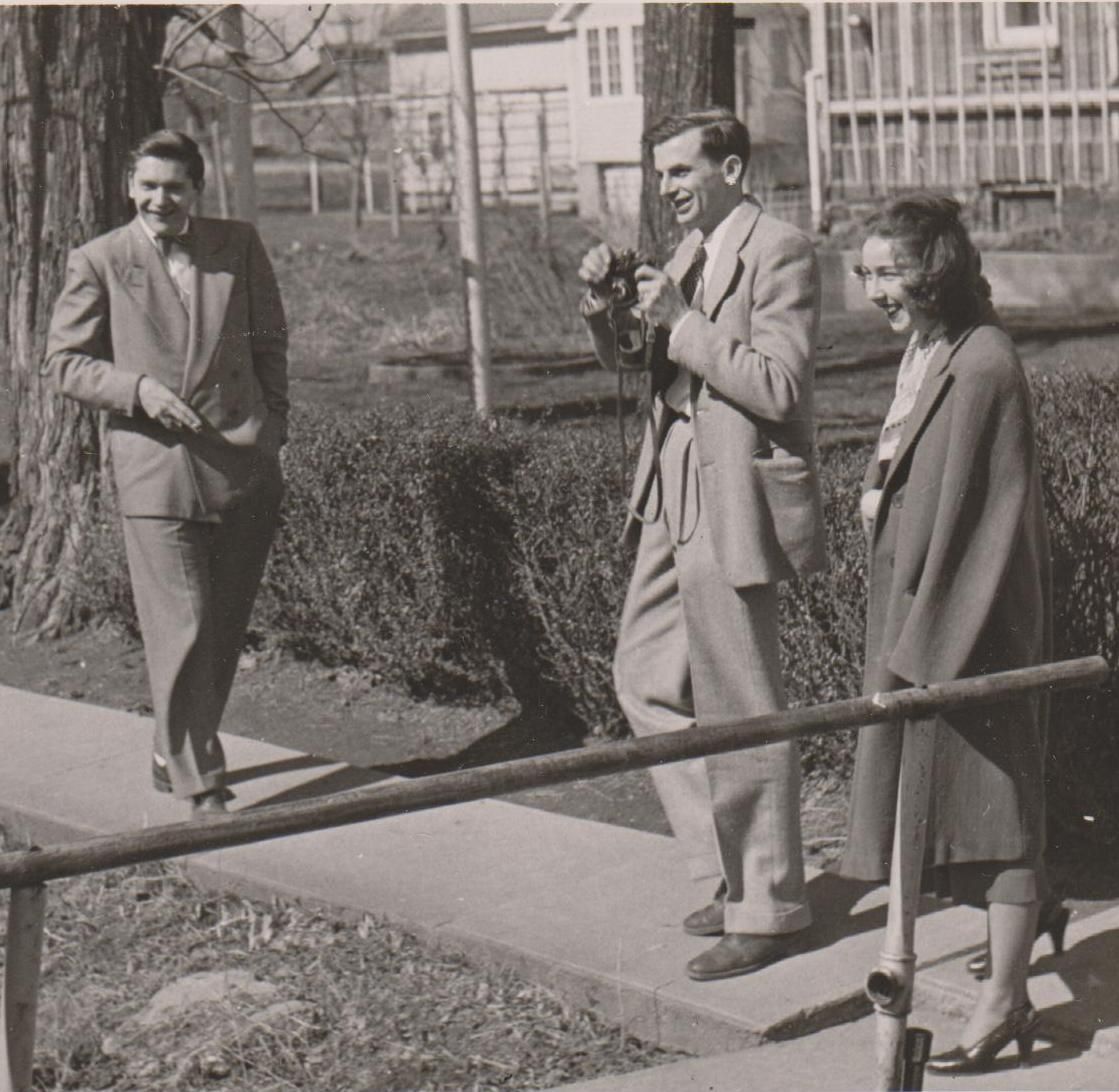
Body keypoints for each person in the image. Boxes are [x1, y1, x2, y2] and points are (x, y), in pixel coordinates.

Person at [578, 108, 827, 981]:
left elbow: (779, 384)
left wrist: (683, 320)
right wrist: (608, 311)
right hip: (669, 486)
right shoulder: (688, 254)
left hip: (731, 489)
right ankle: (727, 867)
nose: (667, 189)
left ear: (730, 167)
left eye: (681, 172)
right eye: (659, 176)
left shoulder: (780, 249)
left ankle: (769, 904)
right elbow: (641, 363)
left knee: (743, 697)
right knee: (642, 677)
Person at [840, 195, 1054, 1073]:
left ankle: (1004, 1002)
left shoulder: (980, 364)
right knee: (959, 805)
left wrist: (922, 650)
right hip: (919, 607)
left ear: (934, 272)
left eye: (887, 273)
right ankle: (1030, 927)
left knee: (995, 808)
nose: (872, 292)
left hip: (966, 622)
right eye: (865, 273)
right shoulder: (929, 351)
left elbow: (982, 517)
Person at [45, 130, 288, 819]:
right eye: (147, 184)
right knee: (182, 621)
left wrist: (276, 430)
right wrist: (137, 391)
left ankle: (169, 747)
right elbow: (63, 363)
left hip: (240, 459)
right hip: (155, 466)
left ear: (196, 190)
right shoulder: (99, 260)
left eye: (174, 186)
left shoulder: (236, 245)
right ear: (129, 187)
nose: (159, 197)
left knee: (223, 626)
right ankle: (198, 782)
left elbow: (269, 341)